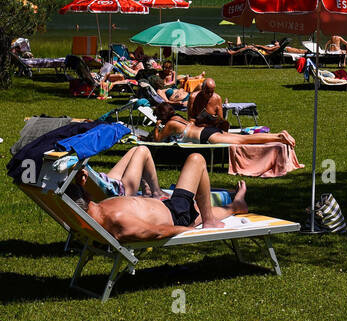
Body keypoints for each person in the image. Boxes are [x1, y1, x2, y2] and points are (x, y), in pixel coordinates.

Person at [83, 152, 248, 240]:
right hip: (176, 214)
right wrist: (188, 231)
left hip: (169, 207)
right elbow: (158, 231)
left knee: (200, 208)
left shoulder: (99, 208)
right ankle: (214, 217)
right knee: (196, 159)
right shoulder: (117, 220)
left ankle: (236, 206)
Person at [150, 100, 297, 147]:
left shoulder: (170, 124)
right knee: (242, 139)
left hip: (206, 136)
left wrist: (157, 125)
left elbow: (157, 139)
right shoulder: (177, 118)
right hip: (208, 131)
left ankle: (279, 137)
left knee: (243, 141)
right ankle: (278, 136)